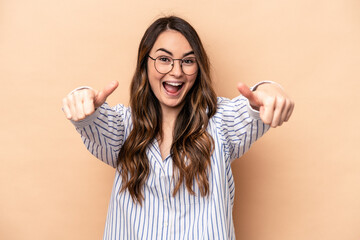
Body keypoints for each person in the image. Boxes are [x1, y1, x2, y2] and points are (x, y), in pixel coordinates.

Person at [62, 16, 294, 240]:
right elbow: (91, 119)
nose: (176, 71)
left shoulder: (220, 122)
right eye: (164, 59)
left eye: (188, 61)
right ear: (145, 64)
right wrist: (80, 99)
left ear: (198, 68)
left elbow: (254, 106)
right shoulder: (123, 127)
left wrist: (272, 90)